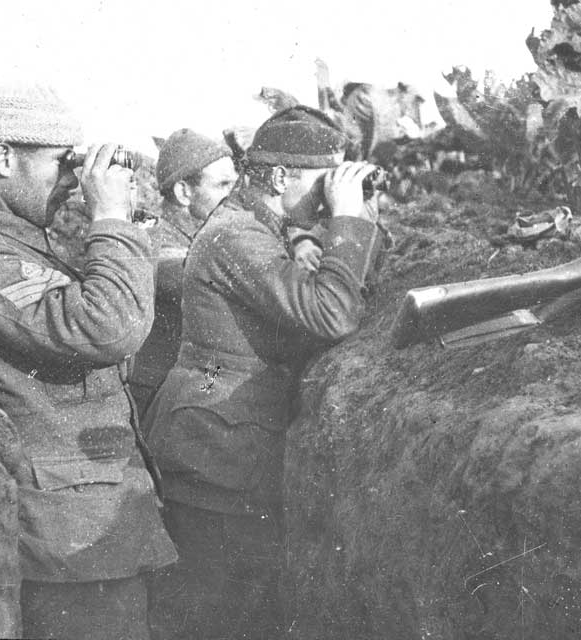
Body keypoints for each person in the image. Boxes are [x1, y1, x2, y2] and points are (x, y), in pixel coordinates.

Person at [0, 83, 177, 639]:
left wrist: (127, 216)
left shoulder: (23, 247)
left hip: (94, 531)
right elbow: (107, 327)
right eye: (60, 162)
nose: (73, 178)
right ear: (3, 157)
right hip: (66, 547)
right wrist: (111, 218)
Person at [143, 105, 383, 639]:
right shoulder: (237, 236)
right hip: (218, 459)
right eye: (323, 180)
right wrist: (343, 219)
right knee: (223, 617)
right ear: (279, 177)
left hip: (232, 448)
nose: (327, 194)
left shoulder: (263, 225)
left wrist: (356, 218)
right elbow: (331, 312)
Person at [129, 129, 237, 416]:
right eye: (223, 185)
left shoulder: (201, 238)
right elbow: (195, 280)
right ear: (183, 192)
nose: (233, 196)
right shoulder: (158, 242)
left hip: (191, 392)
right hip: (159, 399)